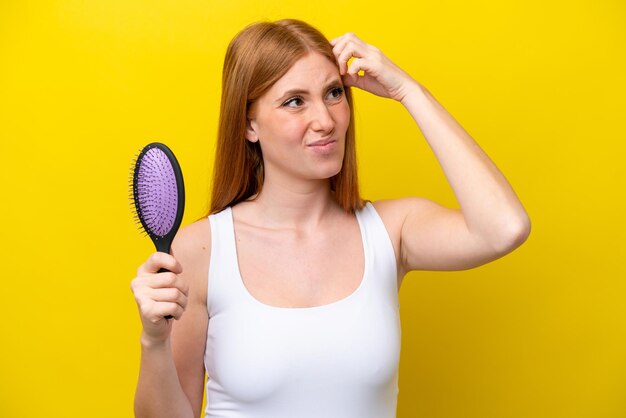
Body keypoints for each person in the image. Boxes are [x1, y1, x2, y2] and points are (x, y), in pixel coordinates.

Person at [130, 18, 530, 418]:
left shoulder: (391, 231)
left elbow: (504, 228)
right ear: (249, 124)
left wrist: (409, 92)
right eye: (295, 101)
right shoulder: (202, 249)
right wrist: (154, 341)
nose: (325, 120)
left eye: (334, 93)